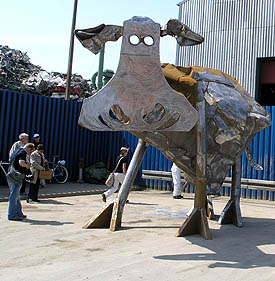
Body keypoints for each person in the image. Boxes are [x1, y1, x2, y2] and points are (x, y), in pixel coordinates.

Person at [6, 143, 35, 221]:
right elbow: (21, 162)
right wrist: (27, 166)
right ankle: (12, 215)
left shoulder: (17, 150)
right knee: (14, 196)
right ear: (29, 149)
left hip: (10, 174)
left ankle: (19, 213)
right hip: (16, 177)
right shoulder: (23, 152)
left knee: (16, 196)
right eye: (31, 152)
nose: (30, 154)